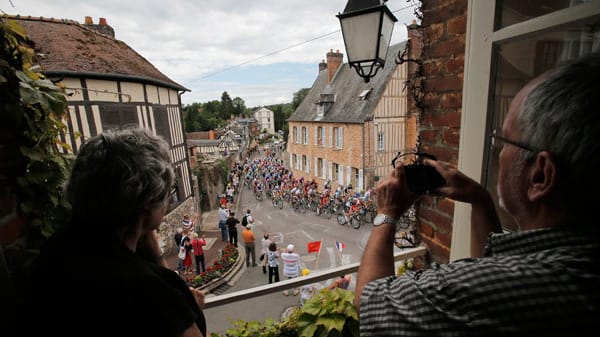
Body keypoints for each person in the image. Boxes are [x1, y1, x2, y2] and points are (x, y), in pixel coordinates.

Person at [355, 54, 600, 336]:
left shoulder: (470, 290)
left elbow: (369, 302)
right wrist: (479, 199)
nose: (497, 152)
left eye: (503, 140)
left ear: (540, 175)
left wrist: (386, 213)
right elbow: (494, 267)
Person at [23, 128, 207, 337]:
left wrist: (148, 242)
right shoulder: (149, 292)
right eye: (166, 194)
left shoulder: (55, 252)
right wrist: (191, 312)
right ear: (148, 202)